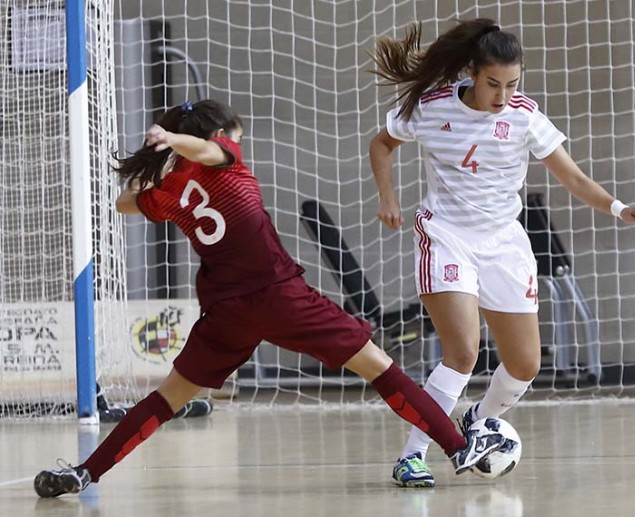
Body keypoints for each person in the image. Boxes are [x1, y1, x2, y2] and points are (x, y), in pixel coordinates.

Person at [34, 99, 504, 498]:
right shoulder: (223, 159)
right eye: (233, 136)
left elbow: (124, 202)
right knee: (380, 367)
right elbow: (205, 149)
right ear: (221, 135)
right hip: (279, 295)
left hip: (226, 312)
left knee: (166, 399)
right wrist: (177, 143)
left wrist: (158, 164)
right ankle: (459, 447)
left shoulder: (170, 192)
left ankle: (84, 472)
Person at [368, 19, 635, 488]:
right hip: (447, 236)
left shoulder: (524, 117)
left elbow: (574, 178)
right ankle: (412, 456)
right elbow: (382, 144)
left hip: (504, 242)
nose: (502, 94)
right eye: (493, 83)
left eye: (512, 84)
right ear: (471, 73)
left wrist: (620, 208)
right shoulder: (431, 106)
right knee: (462, 353)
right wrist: (389, 197)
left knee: (525, 363)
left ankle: (477, 421)